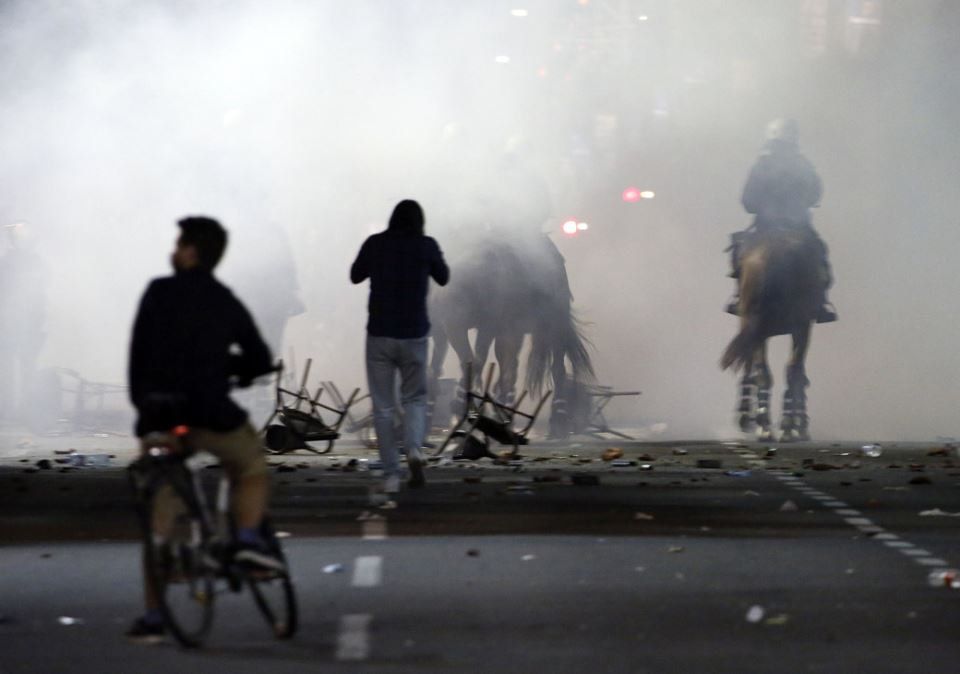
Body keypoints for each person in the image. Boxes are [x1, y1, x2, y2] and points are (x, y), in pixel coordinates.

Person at [126, 216, 279, 642]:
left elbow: (138, 358)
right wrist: (232, 369)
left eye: (179, 243)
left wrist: (146, 411)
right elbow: (260, 357)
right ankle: (247, 539)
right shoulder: (222, 299)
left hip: (159, 420)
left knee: (158, 523)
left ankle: (154, 618)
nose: (173, 250)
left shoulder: (157, 294)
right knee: (249, 466)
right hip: (211, 414)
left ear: (192, 251)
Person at [350, 200, 449, 496]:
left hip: (379, 334)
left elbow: (355, 275)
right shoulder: (426, 245)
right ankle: (415, 450)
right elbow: (444, 277)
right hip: (415, 335)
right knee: (415, 399)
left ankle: (392, 472)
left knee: (383, 406)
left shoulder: (375, 243)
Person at [726, 118, 837, 323]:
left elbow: (747, 200)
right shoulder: (803, 164)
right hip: (798, 227)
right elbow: (816, 193)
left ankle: (739, 297)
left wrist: (759, 206)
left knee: (740, 255)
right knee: (820, 256)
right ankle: (821, 304)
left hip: (765, 226)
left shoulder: (761, 164)